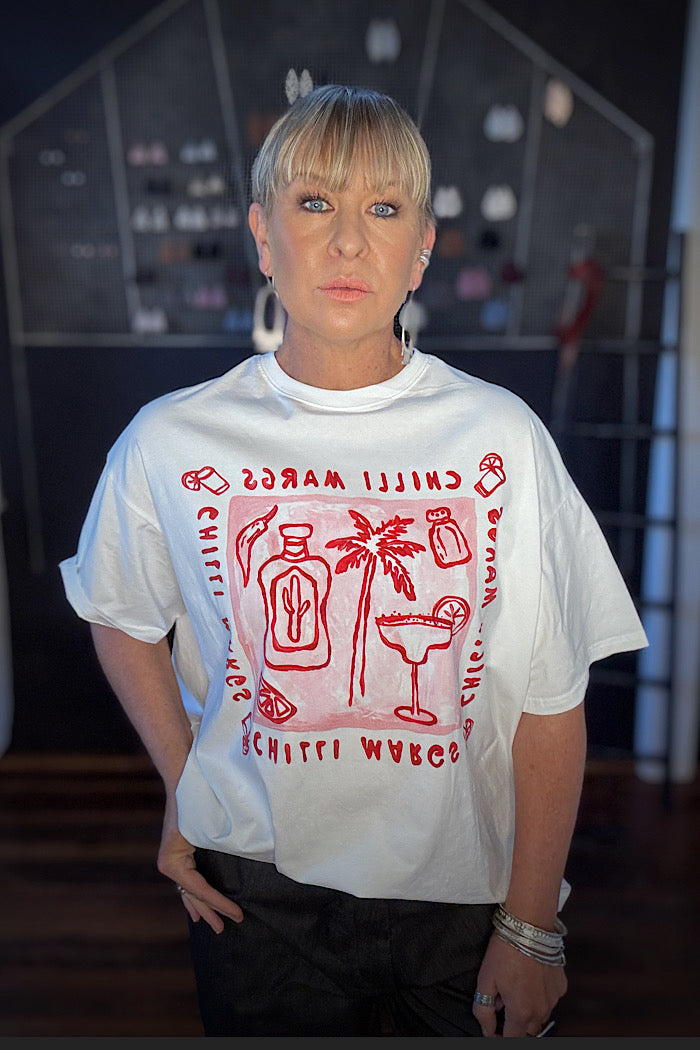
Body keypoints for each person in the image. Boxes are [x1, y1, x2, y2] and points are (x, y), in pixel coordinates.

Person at [60, 84, 648, 1037]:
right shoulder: (170, 440)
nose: (346, 242)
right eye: (313, 203)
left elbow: (550, 697)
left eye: (382, 208)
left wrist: (533, 925)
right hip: (256, 900)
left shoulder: (500, 438)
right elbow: (117, 614)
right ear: (263, 234)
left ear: (421, 247)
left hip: (464, 905)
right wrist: (185, 784)